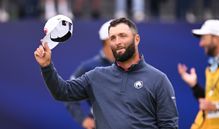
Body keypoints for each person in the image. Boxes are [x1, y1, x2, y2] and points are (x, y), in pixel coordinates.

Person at [34, 17, 178, 129]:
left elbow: (169, 125)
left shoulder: (158, 79)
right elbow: (62, 92)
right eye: (113, 38)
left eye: (123, 36)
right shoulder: (96, 76)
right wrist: (47, 66)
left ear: (137, 39)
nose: (117, 41)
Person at [178, 19, 219, 129]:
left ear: (216, 38)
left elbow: (214, 105)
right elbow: (209, 101)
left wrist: (216, 106)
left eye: (204, 38)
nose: (201, 44)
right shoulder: (211, 68)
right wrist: (194, 85)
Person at [65, 20, 114, 129]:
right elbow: (68, 92)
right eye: (114, 38)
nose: (120, 42)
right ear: (106, 41)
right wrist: (82, 119)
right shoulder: (89, 67)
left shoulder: (130, 65)